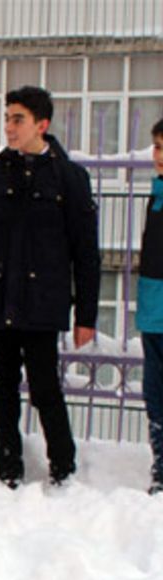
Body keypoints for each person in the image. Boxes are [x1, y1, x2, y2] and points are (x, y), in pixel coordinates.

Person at [0, 85, 101, 489]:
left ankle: (63, 468)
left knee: (45, 389)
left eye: (17, 119)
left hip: (43, 302)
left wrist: (85, 315)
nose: (9, 127)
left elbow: (85, 252)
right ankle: (8, 469)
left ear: (42, 124)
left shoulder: (68, 177)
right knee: (1, 388)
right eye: (6, 118)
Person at [137, 118, 163, 496]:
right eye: (157, 147)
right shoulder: (155, 195)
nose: (159, 156)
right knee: (155, 391)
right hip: (153, 309)